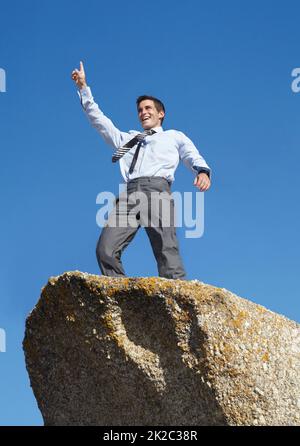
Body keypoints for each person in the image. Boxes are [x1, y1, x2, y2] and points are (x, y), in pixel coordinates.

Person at [71, 61, 211, 280]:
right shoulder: (128, 139)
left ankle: (178, 304)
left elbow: (191, 154)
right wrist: (83, 88)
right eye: (140, 110)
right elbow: (98, 120)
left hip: (158, 191)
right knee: (105, 250)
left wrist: (202, 171)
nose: (143, 112)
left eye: (148, 108)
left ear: (161, 113)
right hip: (129, 193)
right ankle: (120, 298)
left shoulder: (173, 136)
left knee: (167, 251)